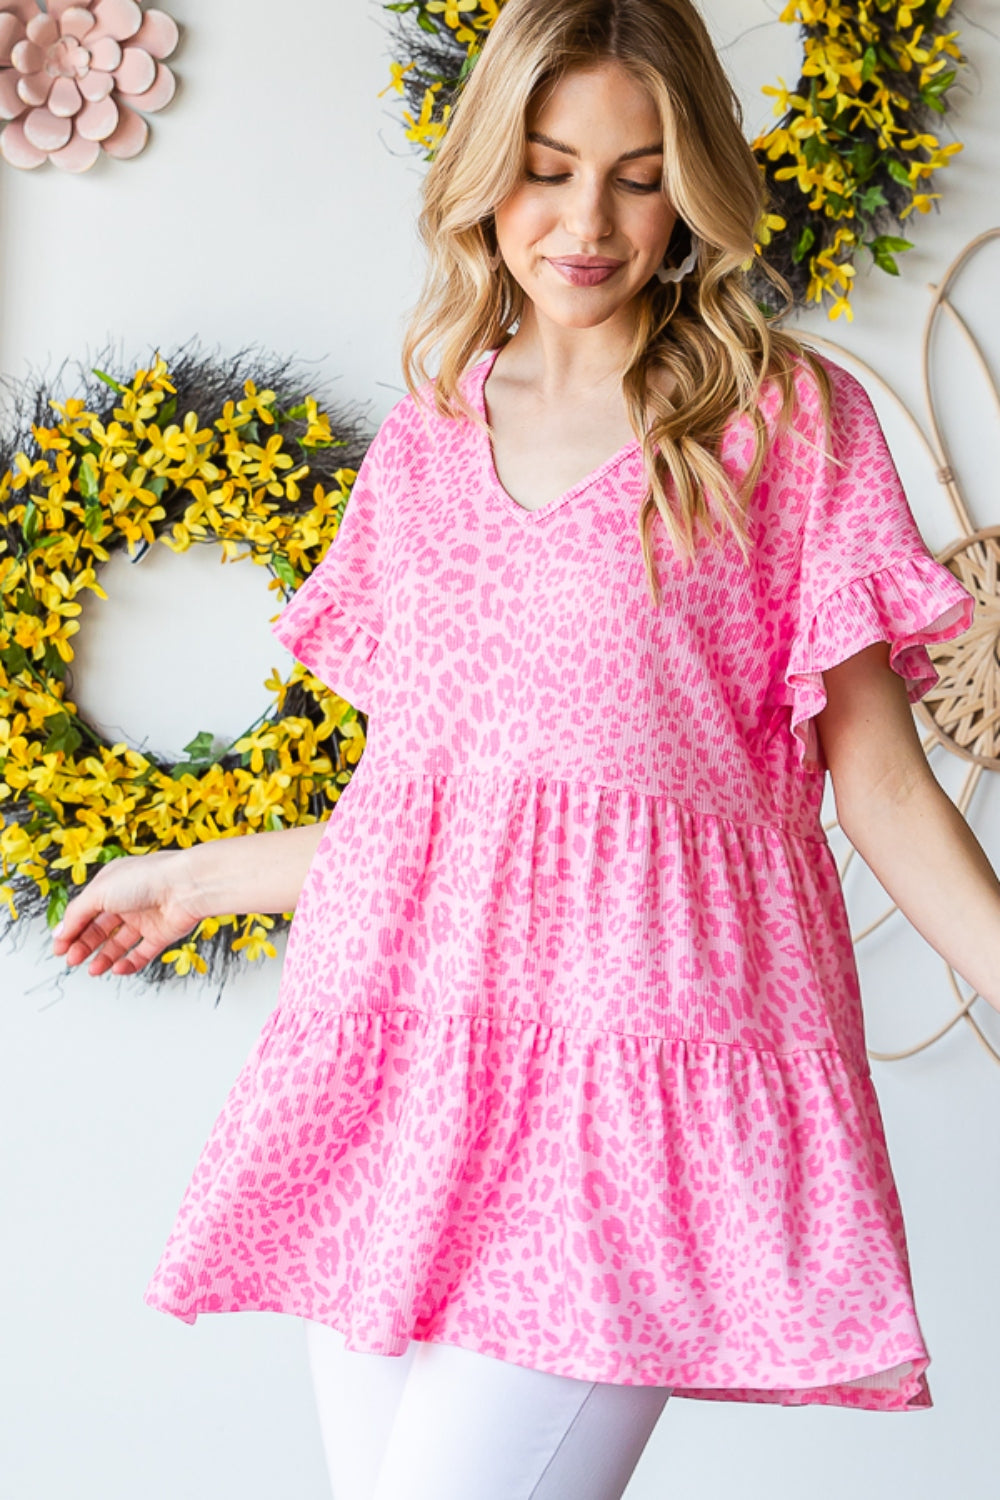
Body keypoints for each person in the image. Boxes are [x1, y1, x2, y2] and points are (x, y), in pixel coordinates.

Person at [52, 1, 998, 1496]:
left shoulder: (785, 425)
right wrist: (194, 877)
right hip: (409, 1079)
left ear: (694, 184)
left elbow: (877, 786)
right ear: (488, 166)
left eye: (638, 173)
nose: (588, 222)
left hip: (622, 1102)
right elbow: (446, 818)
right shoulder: (430, 434)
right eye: (549, 167)